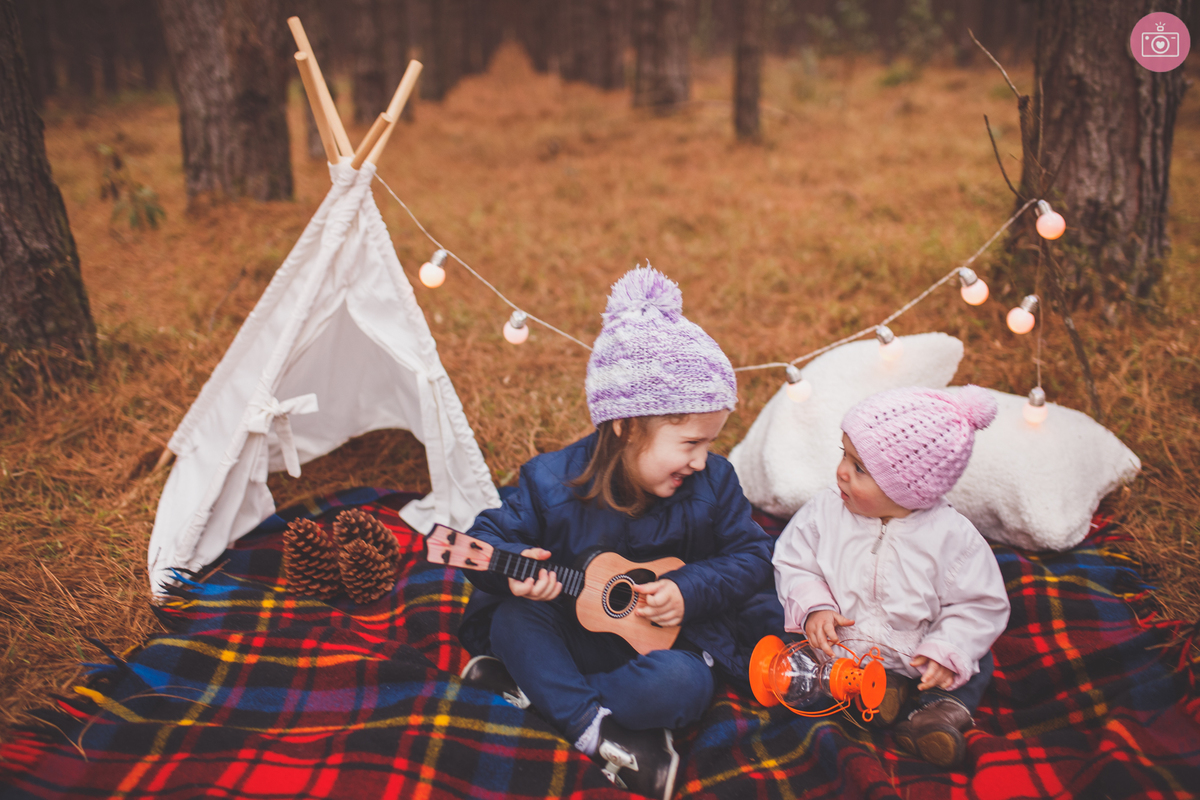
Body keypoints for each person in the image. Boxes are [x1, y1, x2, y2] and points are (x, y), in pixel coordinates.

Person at [455, 266, 781, 800]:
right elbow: (485, 540)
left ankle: (537, 694)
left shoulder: (714, 481)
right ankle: (596, 730)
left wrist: (687, 590)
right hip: (574, 634)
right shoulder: (550, 481)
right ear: (626, 426)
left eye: (710, 443)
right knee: (514, 620)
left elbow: (752, 556)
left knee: (682, 689)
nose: (702, 460)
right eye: (691, 443)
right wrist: (511, 568)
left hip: (669, 647)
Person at [772, 385, 1010, 769]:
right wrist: (814, 606)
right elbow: (794, 560)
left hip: (918, 656)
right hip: (842, 649)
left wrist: (946, 649)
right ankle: (874, 694)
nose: (842, 472)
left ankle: (936, 716)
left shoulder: (953, 538)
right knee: (790, 648)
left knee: (975, 665)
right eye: (844, 455)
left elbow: (979, 604)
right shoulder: (825, 513)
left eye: (859, 468)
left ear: (910, 490)